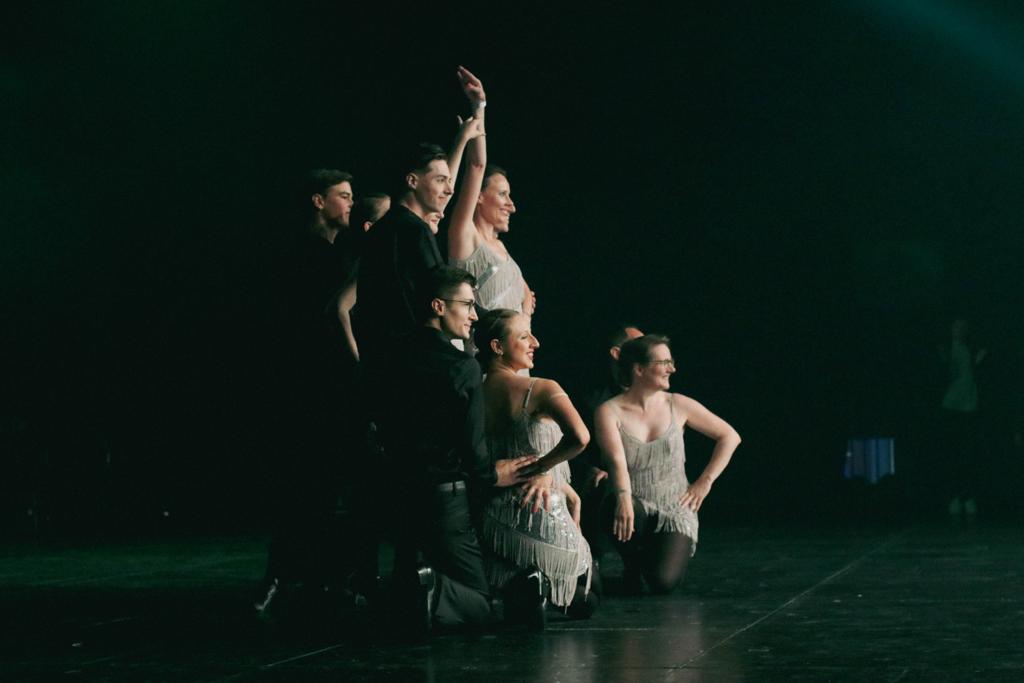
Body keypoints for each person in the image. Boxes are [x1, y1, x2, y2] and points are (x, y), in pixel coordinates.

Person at [380, 267, 536, 632]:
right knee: (479, 603)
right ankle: (435, 590)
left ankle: (416, 591)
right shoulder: (462, 367)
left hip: (395, 490)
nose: (474, 315)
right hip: (444, 497)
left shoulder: (389, 356)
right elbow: (472, 445)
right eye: (467, 304)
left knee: (407, 591)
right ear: (438, 306)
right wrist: (492, 476)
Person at [255, 168, 359, 616]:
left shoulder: (336, 253)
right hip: (307, 384)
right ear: (319, 201)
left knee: (323, 484)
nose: (350, 203)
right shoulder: (302, 253)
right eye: (343, 196)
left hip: (326, 383)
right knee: (304, 481)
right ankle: (287, 575)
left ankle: (314, 577)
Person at [473, 309, 595, 621]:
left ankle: (525, 585)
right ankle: (539, 586)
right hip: (540, 514)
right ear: (497, 346)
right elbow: (580, 438)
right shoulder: (541, 388)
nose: (536, 343)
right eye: (525, 336)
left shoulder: (472, 393)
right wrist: (541, 467)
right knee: (589, 598)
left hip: (493, 520)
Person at [596, 334, 740, 594]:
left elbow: (729, 436)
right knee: (612, 504)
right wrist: (623, 498)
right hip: (634, 503)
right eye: (663, 362)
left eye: (671, 362)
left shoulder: (678, 404)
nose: (671, 369)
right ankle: (632, 563)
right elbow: (616, 461)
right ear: (639, 369)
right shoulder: (609, 411)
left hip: (675, 507)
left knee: (662, 583)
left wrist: (705, 482)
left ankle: (650, 559)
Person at [446, 68, 534, 318]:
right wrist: (479, 106)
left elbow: (525, 296)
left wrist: (526, 312)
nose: (511, 206)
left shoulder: (502, 248)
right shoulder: (466, 236)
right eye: (503, 194)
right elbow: (476, 166)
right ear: (479, 196)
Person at [573, 323, 645, 565]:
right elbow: (573, 443)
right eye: (640, 345)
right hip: (603, 475)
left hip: (645, 472)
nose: (649, 350)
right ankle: (592, 559)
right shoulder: (591, 397)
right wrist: (591, 469)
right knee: (600, 485)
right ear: (617, 353)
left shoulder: (652, 393)